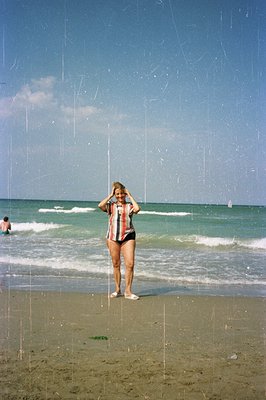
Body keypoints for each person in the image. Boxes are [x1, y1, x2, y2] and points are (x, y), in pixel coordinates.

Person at [98, 182, 141, 300]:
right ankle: (117, 289)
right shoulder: (111, 206)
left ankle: (128, 291)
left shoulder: (129, 206)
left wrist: (130, 196)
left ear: (125, 194)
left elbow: (137, 209)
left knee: (130, 264)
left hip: (128, 237)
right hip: (113, 237)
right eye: (117, 194)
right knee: (116, 264)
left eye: (122, 194)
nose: (120, 196)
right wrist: (110, 195)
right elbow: (100, 205)